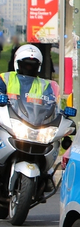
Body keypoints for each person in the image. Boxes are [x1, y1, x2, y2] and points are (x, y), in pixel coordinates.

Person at [0, 44, 60, 190]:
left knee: (53, 140)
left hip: (32, 123)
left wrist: (61, 113)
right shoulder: (5, 78)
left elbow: (53, 103)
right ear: (17, 64)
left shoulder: (44, 85)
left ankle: (46, 173)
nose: (28, 67)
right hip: (11, 119)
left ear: (38, 66)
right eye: (25, 64)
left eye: (32, 65)